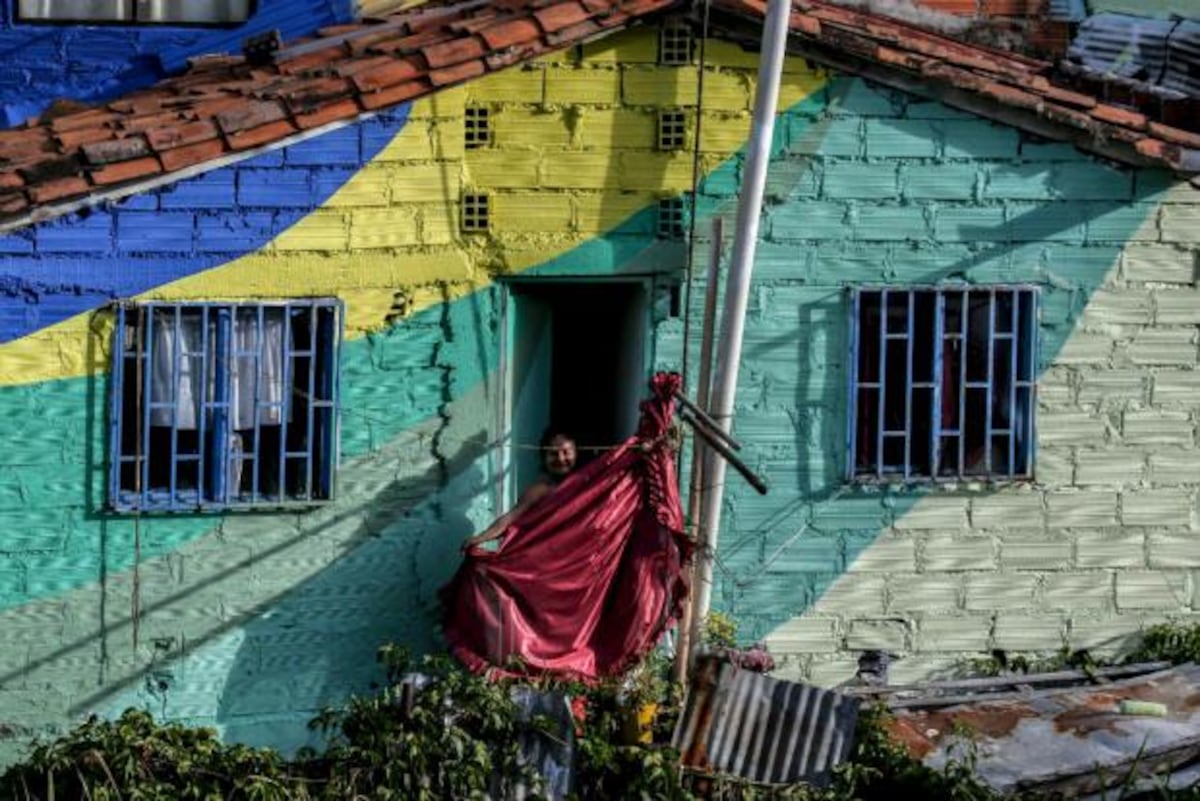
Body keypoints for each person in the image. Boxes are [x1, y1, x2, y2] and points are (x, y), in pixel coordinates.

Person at [462, 429, 577, 550]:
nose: (561, 458)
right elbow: (510, 518)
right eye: (553, 454)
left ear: (576, 452)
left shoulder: (589, 483)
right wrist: (481, 537)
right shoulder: (541, 489)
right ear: (544, 457)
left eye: (566, 452)